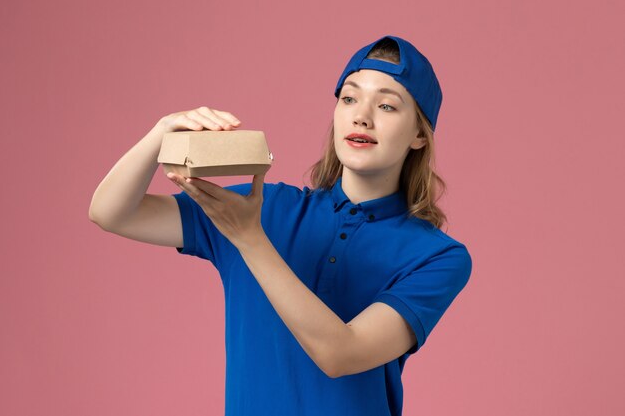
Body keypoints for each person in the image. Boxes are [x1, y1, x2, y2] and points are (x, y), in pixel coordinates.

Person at [89, 35, 472, 416]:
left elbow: (342, 353)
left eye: (387, 105)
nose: (361, 116)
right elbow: (112, 212)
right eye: (349, 98)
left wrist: (249, 239)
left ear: (420, 134)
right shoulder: (264, 207)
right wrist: (162, 133)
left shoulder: (437, 257)